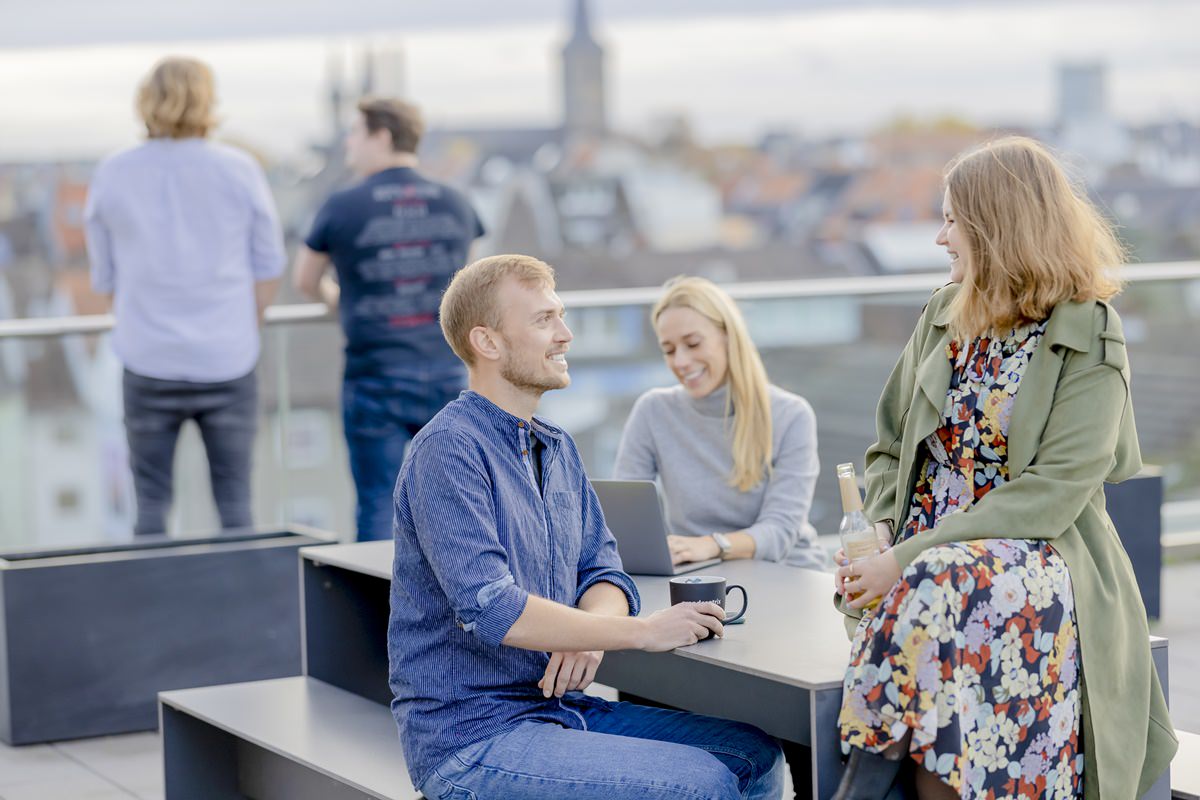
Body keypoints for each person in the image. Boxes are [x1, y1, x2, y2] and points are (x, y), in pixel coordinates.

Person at [831, 137, 1176, 799]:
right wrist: (878, 532)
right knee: (933, 625)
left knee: (932, 584)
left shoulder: (1088, 329)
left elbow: (1053, 494)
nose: (940, 238)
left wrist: (904, 559)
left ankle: (862, 777)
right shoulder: (943, 315)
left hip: (1039, 559)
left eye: (952, 221)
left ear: (997, 228)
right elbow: (889, 446)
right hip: (927, 565)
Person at [388, 254, 785, 800]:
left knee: (754, 755)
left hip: (556, 708)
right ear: (488, 342)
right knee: (701, 784)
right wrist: (640, 632)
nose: (566, 335)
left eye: (561, 316)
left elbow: (603, 569)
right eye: (544, 320)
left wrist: (585, 632)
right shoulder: (447, 450)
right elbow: (493, 606)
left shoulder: (558, 448)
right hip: (470, 738)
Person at [84, 56, 285, 536]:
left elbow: (104, 277)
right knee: (235, 504)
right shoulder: (239, 169)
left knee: (150, 505)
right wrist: (242, 322)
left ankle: (150, 609)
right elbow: (269, 265)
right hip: (226, 357)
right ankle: (242, 608)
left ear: (145, 102)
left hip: (148, 357)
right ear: (207, 100)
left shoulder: (114, 172)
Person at [293, 96, 485, 541]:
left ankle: (375, 606)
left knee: (378, 501)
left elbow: (305, 278)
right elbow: (466, 285)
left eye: (355, 132)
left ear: (381, 136)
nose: (348, 143)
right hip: (445, 371)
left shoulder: (342, 205)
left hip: (374, 374)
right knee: (452, 501)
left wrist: (339, 301)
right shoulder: (456, 201)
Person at [613, 276, 825, 570]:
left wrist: (711, 545)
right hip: (696, 575)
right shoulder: (653, 411)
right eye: (669, 350)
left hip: (785, 568)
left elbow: (780, 531)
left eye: (693, 343)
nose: (681, 361)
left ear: (728, 337)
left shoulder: (791, 415)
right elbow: (626, 518)